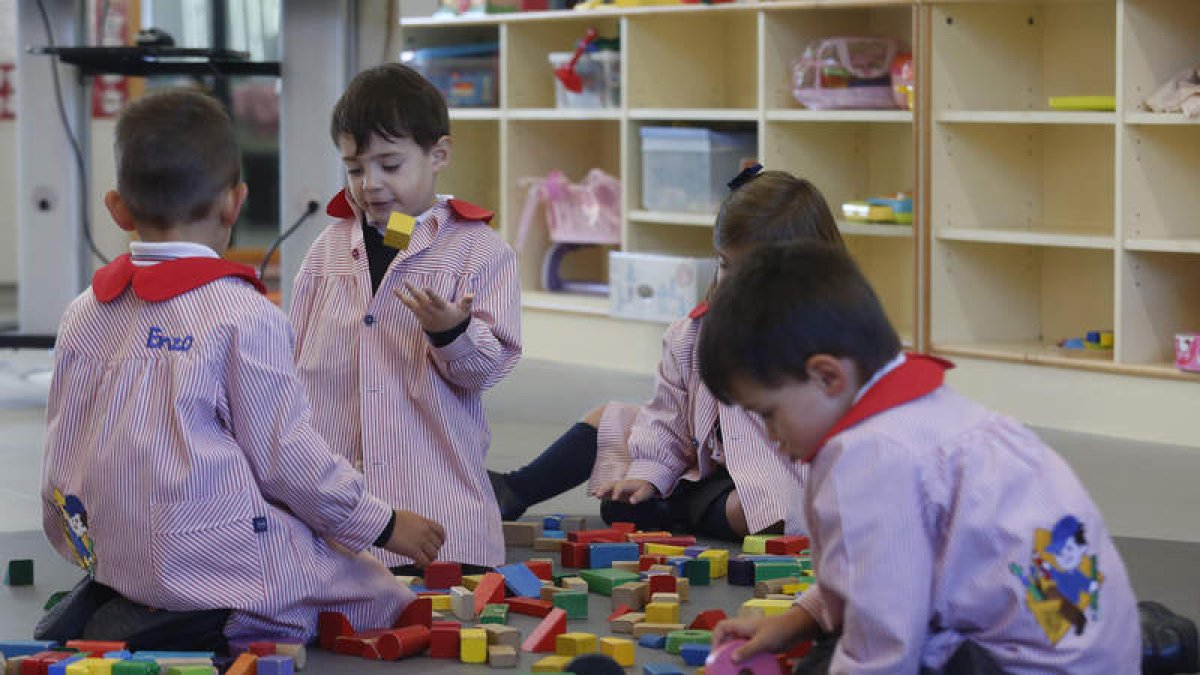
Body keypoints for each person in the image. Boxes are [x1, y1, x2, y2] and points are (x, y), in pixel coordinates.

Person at [41, 89, 443, 645]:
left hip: (103, 544)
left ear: (118, 208)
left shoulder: (83, 310)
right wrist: (382, 522)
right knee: (370, 588)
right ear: (235, 203)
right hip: (196, 550)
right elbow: (289, 461)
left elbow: (62, 442)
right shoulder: (241, 315)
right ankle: (214, 619)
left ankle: (134, 593)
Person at [699, 241, 1139, 673]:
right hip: (1095, 650)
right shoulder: (922, 412)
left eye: (768, 415)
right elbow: (874, 567)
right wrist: (798, 620)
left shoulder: (868, 459)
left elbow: (882, 644)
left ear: (827, 376)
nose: (771, 437)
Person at [490, 168, 838, 540]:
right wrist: (649, 474)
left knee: (766, 515)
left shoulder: (825, 344)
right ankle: (515, 488)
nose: (733, 282)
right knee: (606, 418)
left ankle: (672, 509)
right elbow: (666, 416)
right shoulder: (691, 334)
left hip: (772, 478)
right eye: (725, 265)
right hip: (698, 461)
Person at [290, 63, 521, 571]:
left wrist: (452, 333)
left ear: (438, 154)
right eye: (355, 168)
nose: (370, 184)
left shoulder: (479, 251)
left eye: (390, 165)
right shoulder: (327, 249)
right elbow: (292, 357)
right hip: (334, 517)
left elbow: (488, 367)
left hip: (438, 514)